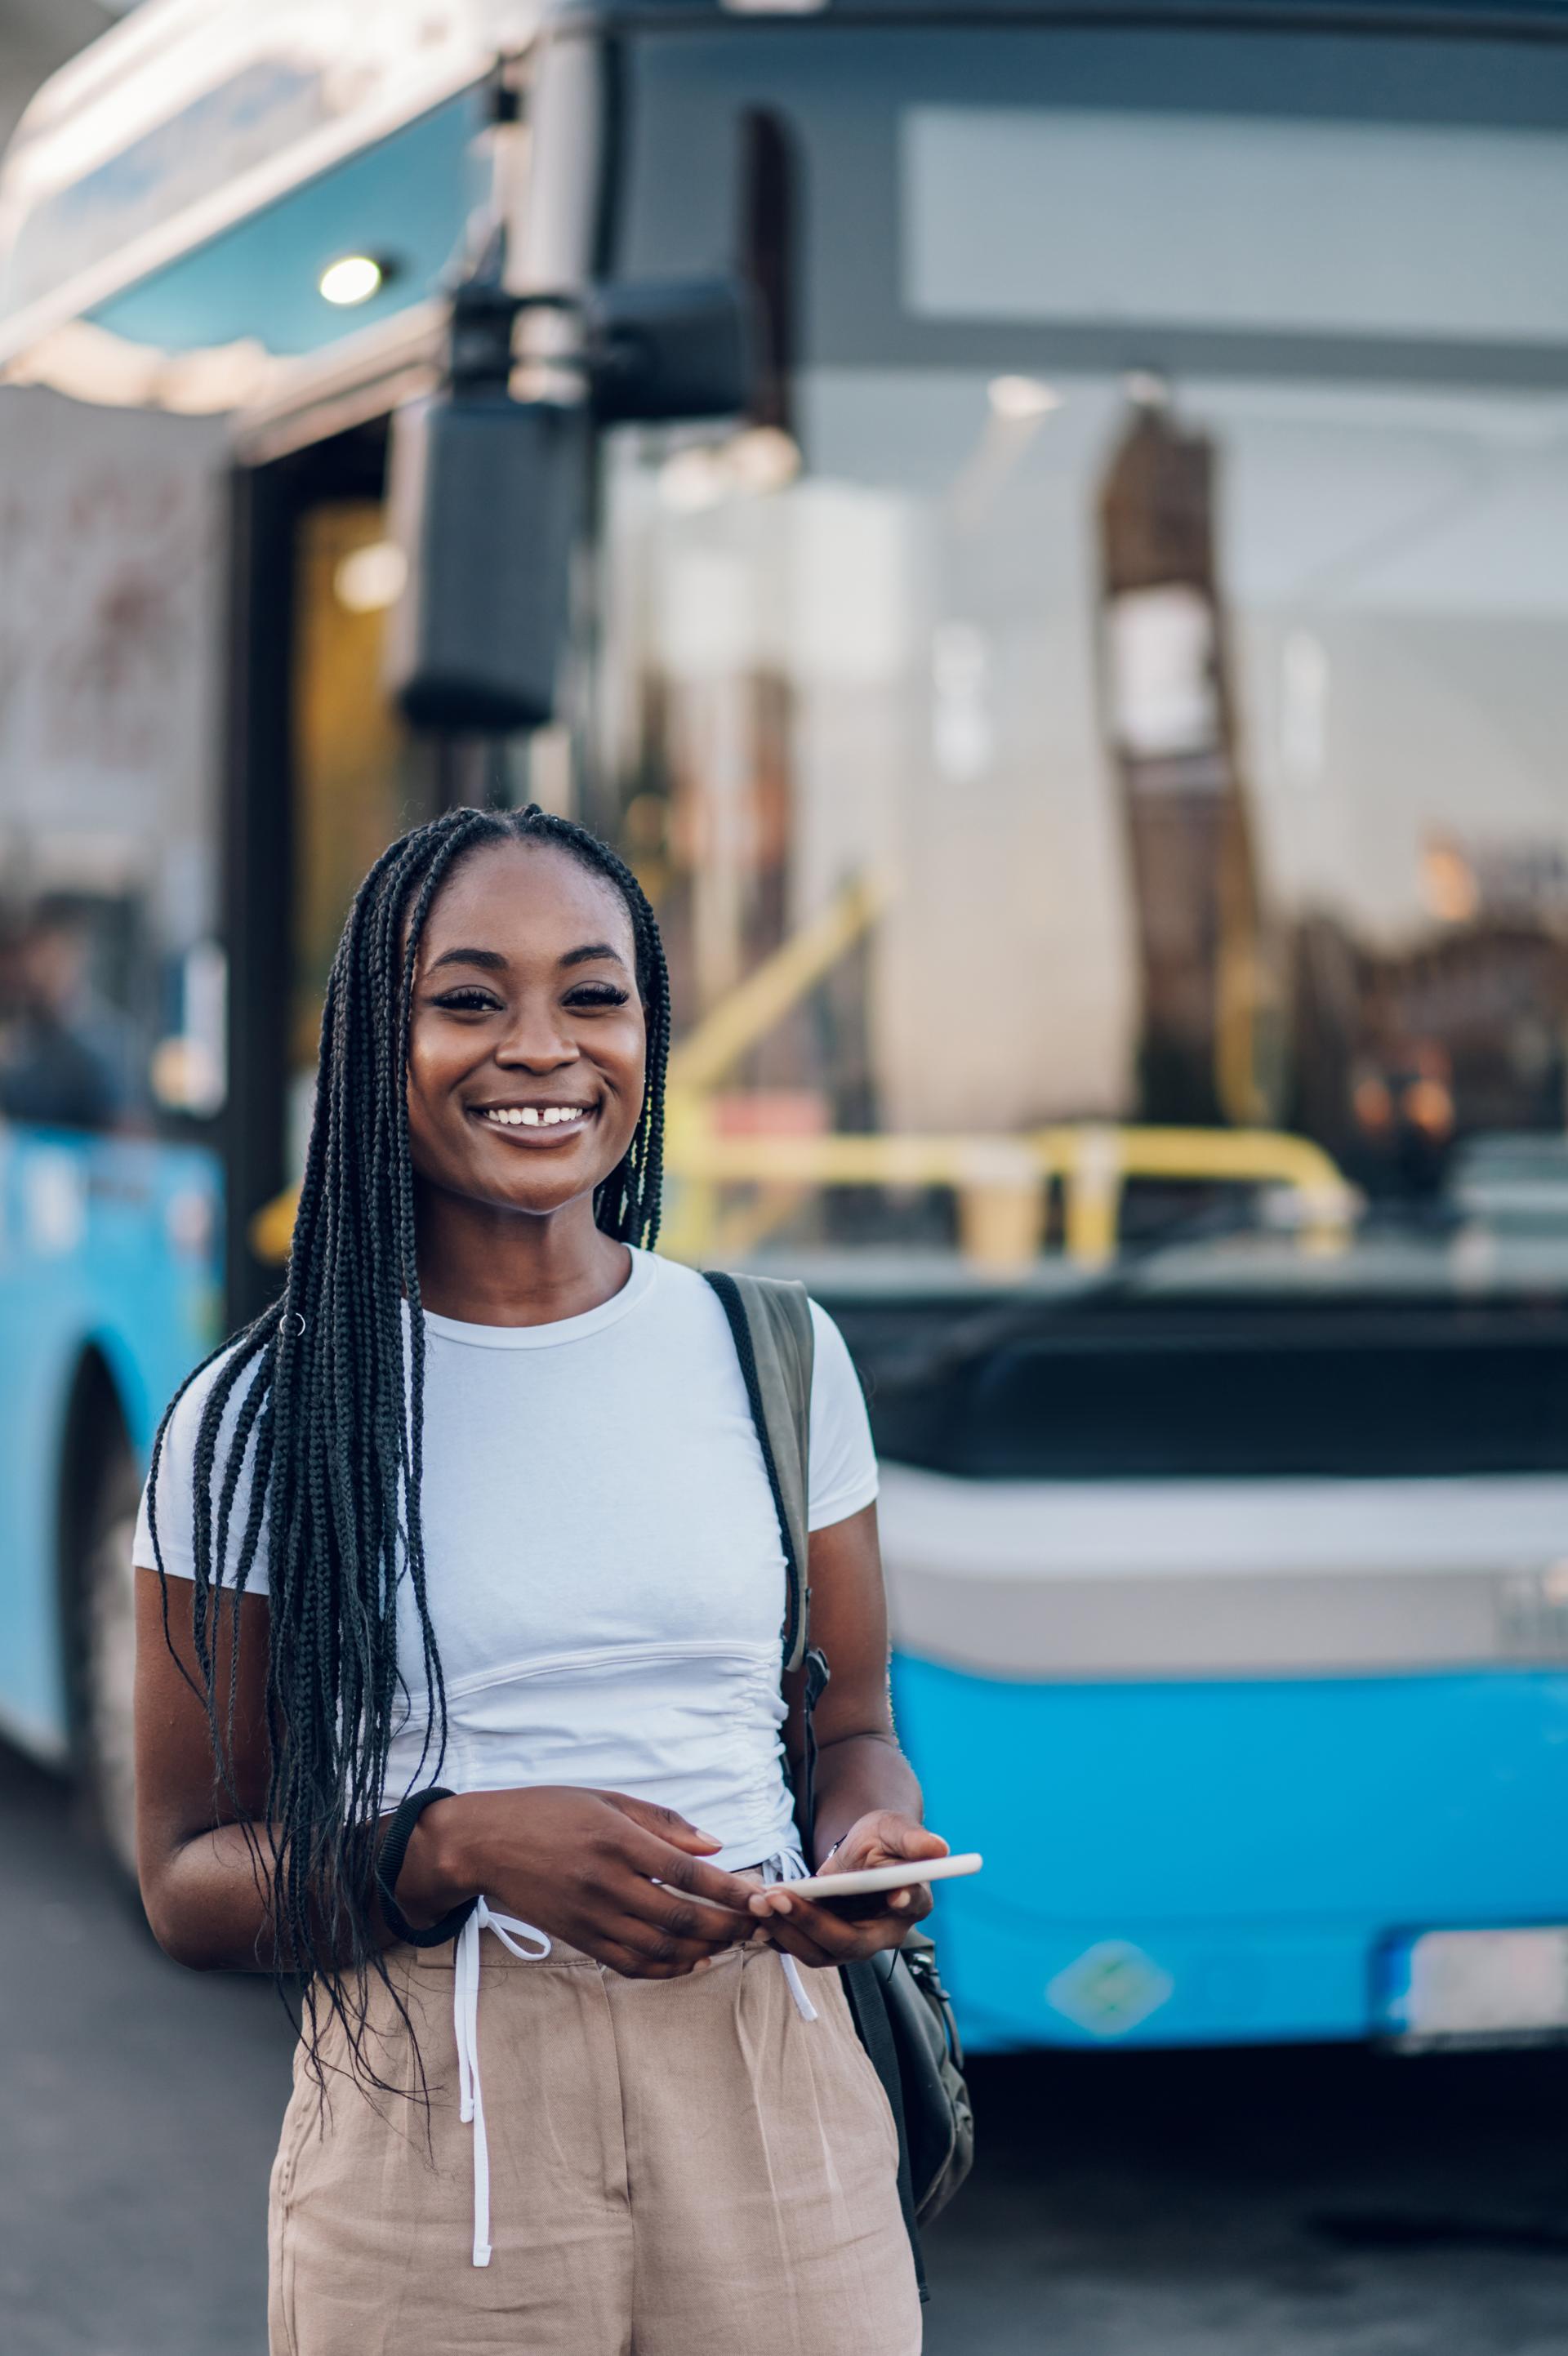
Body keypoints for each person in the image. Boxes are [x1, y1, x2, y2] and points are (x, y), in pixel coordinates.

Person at [132, 804, 943, 2356]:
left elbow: (848, 1731)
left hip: (770, 2087)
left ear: (647, 1030)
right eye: (467, 998)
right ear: (382, 1040)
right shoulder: (258, 1418)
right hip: (436, 2119)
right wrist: (456, 1846)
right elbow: (186, 1879)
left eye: (592, 993)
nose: (540, 1048)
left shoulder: (774, 1353)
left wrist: (864, 1845)